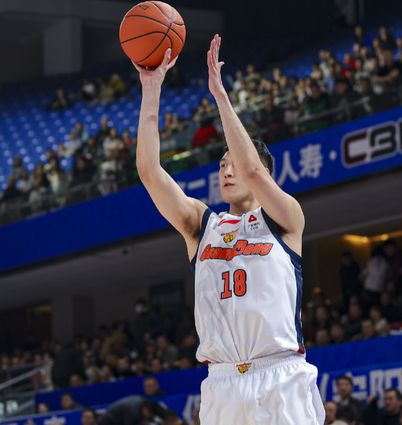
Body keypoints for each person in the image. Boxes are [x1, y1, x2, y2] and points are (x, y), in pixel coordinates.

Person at [133, 35, 324, 425]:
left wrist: (220, 96)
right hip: (221, 383)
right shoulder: (204, 226)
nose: (228, 169)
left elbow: (252, 169)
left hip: (279, 375)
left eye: (233, 162)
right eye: (222, 165)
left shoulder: (286, 218)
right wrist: (151, 90)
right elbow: (150, 173)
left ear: (267, 176)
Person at [96, 396, 182, 425]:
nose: (148, 418)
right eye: (149, 415)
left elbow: (163, 413)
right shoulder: (132, 412)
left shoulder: (146, 403)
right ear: (145, 409)